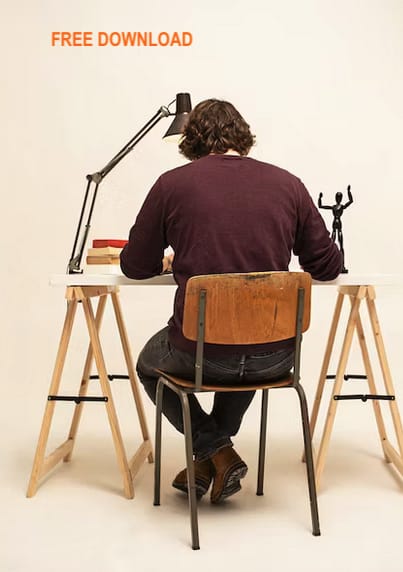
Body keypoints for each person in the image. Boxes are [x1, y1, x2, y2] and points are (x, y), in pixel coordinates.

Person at [120, 99, 342, 504]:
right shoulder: (288, 184)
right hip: (276, 356)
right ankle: (214, 456)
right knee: (246, 340)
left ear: (191, 140)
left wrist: (165, 260)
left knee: (150, 365)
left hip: (203, 354)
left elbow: (134, 266)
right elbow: (326, 267)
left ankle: (214, 450)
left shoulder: (172, 184)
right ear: (242, 135)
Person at [318, 186, 353, 273]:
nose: (338, 199)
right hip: (335, 224)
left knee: (341, 245)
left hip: (338, 224)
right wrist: (320, 198)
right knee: (332, 244)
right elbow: (320, 206)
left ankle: (342, 266)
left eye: (339, 197)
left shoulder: (341, 206)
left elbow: (351, 201)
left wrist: (349, 191)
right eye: (337, 197)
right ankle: (331, 266)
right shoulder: (334, 207)